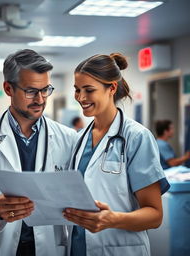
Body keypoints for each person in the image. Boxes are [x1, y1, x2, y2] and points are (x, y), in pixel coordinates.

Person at [0, 49, 77, 256]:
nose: (40, 99)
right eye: (30, 91)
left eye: (45, 89)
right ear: (8, 88)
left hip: (50, 247)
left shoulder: (69, 138)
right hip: (1, 246)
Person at [63, 53, 170, 256]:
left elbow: (155, 216)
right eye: (77, 90)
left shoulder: (136, 137)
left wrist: (112, 219)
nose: (81, 98)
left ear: (111, 88)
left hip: (119, 249)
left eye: (89, 90)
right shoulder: (79, 139)